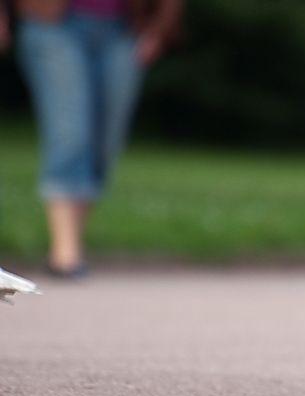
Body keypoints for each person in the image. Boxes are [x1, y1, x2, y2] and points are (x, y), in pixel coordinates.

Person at [0, 0, 182, 278]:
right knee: (70, 132)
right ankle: (65, 254)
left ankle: (69, 245)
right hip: (52, 22)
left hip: (124, 27)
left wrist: (158, 27)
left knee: (104, 144)